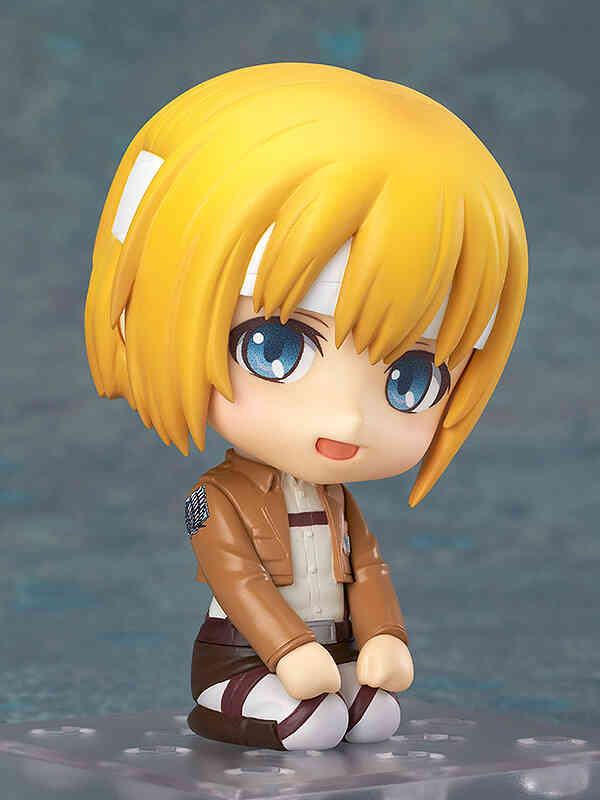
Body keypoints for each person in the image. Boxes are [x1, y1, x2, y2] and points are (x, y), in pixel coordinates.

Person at [84, 62, 527, 750]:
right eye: (276, 348)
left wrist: (384, 636)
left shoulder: (338, 501)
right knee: (312, 725)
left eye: (410, 378)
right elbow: (237, 579)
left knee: (374, 716)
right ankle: (234, 708)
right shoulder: (216, 498)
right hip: (243, 655)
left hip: (330, 650)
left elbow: (368, 569)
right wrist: (287, 650)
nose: (348, 418)